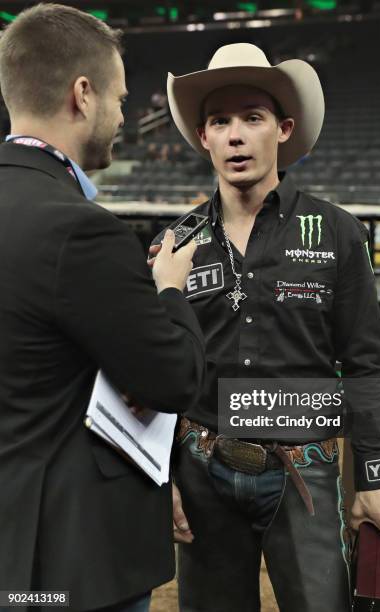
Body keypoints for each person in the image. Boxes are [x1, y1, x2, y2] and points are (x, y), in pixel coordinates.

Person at [149, 43, 380, 611]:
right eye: (220, 121)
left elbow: (366, 359)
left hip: (305, 471)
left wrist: (376, 474)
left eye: (253, 118)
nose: (236, 135)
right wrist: (160, 475)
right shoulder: (174, 246)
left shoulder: (338, 232)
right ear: (203, 138)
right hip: (200, 469)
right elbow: (160, 370)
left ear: (283, 129)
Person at [0, 5, 204, 612]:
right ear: (81, 95)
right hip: (63, 560)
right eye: (118, 98)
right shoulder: (80, 231)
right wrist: (168, 290)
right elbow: (172, 377)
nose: (122, 116)